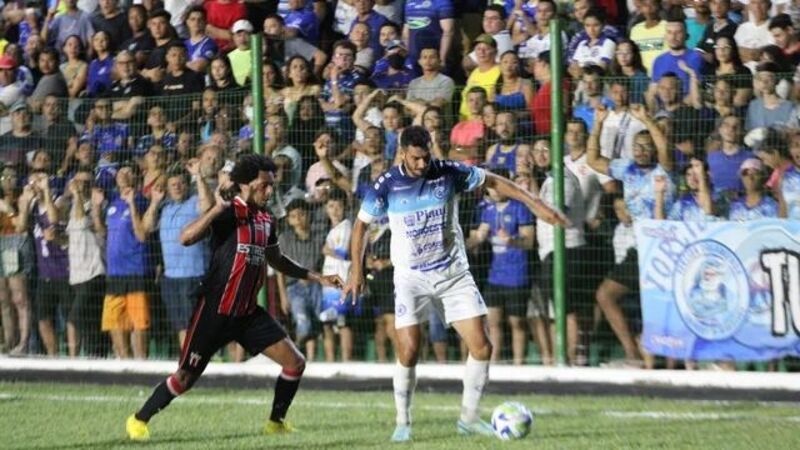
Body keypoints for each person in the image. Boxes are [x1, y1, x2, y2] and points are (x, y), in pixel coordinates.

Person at [341, 126, 567, 442]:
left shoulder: (448, 172)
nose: (423, 164)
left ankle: (469, 419)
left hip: (452, 273)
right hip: (411, 277)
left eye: (427, 157)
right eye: (417, 159)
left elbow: (493, 180)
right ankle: (403, 421)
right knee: (408, 350)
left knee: (482, 346)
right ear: (404, 152)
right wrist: (356, 268)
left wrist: (534, 203)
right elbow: (361, 226)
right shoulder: (387, 184)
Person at [126, 154, 343, 441]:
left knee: (295, 363)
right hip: (214, 311)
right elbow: (186, 238)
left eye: (272, 185)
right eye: (264, 185)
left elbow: (276, 260)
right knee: (185, 378)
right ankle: (139, 419)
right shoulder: (228, 213)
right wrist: (217, 208)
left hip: (248, 314)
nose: (269, 191)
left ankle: (275, 422)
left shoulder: (267, 219)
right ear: (244, 185)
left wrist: (318, 277)